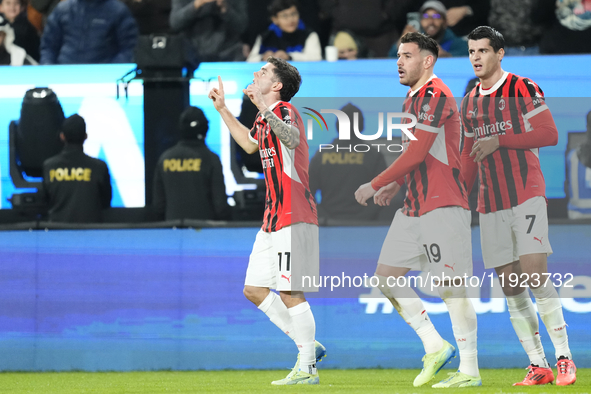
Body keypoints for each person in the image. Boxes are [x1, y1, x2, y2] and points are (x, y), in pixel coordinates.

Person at [355, 32, 480, 388]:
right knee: (385, 278)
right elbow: (420, 157)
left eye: (407, 55)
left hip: (443, 205)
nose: (399, 61)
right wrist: (397, 184)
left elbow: (418, 152)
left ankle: (470, 371)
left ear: (427, 61)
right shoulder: (413, 98)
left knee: (452, 289)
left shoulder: (435, 94)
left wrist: (377, 182)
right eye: (398, 55)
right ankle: (435, 345)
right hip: (414, 207)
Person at [460, 26, 576, 386]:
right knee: (510, 285)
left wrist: (500, 140)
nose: (476, 57)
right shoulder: (468, 102)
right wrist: (457, 204)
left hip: (526, 191)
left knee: (534, 273)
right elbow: (467, 158)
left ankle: (564, 359)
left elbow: (548, 133)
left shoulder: (522, 87)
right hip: (489, 202)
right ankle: (537, 364)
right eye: (471, 51)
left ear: (500, 53)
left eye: (483, 50)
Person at [208, 57, 325, 385]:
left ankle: (307, 369)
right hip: (272, 218)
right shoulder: (264, 119)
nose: (256, 72)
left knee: (290, 291)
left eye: (264, 71)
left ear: (276, 86)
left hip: (295, 213)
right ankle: (307, 347)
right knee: (254, 289)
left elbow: (291, 139)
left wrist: (263, 106)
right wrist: (223, 109)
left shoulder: (286, 110)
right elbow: (248, 144)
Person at [310, 103, 388, 221]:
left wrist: (324, 217)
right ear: (361, 126)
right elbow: (384, 193)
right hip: (366, 227)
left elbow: (307, 194)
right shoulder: (373, 155)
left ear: (337, 126)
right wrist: (363, 218)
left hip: (329, 226)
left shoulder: (321, 155)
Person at [152, 106, 231, 221]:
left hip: (172, 232)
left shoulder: (165, 158)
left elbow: (158, 206)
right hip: (205, 232)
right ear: (205, 129)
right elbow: (220, 206)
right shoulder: (211, 159)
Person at [42, 114, 112, 223]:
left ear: (62, 136)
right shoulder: (99, 167)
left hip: (57, 233)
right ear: (85, 136)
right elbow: (106, 203)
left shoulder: (49, 166)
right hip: (92, 233)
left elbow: (45, 201)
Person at [40, 0, 138, 64]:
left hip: (104, 76)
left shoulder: (118, 11)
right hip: (64, 74)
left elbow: (129, 49)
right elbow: (48, 47)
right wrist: (49, 71)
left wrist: (113, 72)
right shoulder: (62, 10)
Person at [169, 0, 247, 63]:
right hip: (192, 56)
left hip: (229, 55)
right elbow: (175, 23)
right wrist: (196, 5)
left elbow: (242, 26)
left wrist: (225, 8)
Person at [247, 0, 321, 62]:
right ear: (275, 19)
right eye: (285, 16)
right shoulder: (265, 36)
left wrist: (289, 57)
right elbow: (250, 60)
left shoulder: (309, 34)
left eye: (293, 14)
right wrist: (263, 57)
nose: (291, 20)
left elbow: (317, 58)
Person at [390, 1, 468, 58]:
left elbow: (467, 57)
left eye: (436, 16)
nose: (430, 21)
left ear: (444, 22)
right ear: (421, 21)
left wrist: (445, 55)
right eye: (426, 17)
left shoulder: (458, 43)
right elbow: (390, 57)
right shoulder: (416, 43)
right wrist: (401, 43)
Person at [566, 111, 591, 219]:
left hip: (576, 219)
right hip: (577, 221)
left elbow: (566, 188)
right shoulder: (572, 157)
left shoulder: (571, 156)